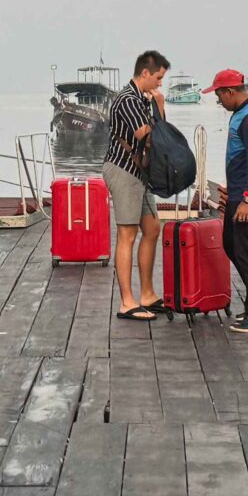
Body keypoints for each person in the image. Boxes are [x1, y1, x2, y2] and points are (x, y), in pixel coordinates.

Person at [104, 50, 168, 319]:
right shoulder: (127, 100)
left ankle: (147, 294)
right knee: (127, 234)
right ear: (145, 73)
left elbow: (158, 136)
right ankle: (127, 302)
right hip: (124, 170)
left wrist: (157, 107)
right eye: (158, 77)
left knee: (152, 229)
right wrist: (160, 107)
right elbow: (147, 135)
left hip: (141, 173)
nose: (160, 83)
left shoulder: (142, 99)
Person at [210, 69, 248, 330]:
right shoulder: (242, 113)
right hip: (237, 193)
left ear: (230, 92)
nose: (219, 102)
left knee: (246, 252)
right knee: (232, 245)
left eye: (219, 96)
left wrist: (247, 198)